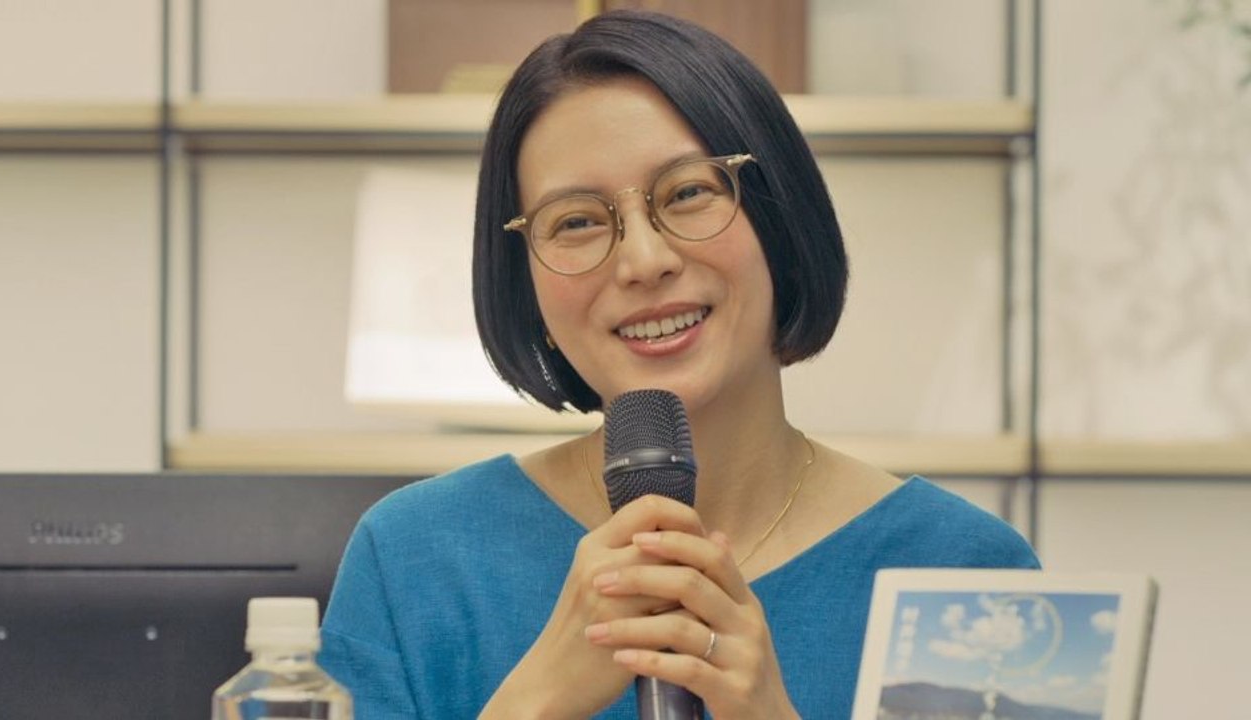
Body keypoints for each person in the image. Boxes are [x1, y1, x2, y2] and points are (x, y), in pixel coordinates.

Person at [319, 10, 1038, 719]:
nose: (644, 260)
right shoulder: (412, 556)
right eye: (576, 222)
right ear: (523, 282)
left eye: (689, 192)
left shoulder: (965, 575)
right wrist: (533, 703)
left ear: (781, 217)